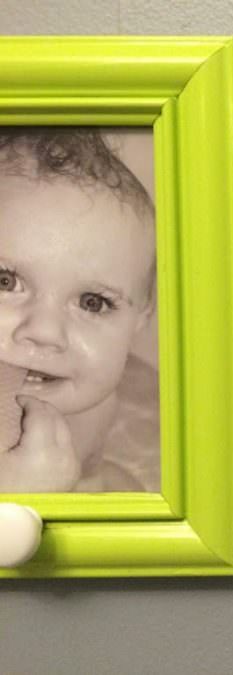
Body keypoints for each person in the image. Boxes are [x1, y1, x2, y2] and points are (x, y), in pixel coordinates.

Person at [0, 129, 159, 492]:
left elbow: (89, 477)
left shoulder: (94, 406)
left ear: (141, 319)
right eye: (5, 282)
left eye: (93, 302)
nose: (45, 331)